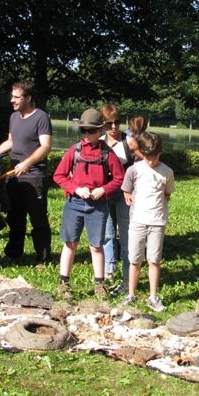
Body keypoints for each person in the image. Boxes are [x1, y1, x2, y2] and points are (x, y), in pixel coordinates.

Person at [52, 108, 125, 302]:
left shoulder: (108, 154)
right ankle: (63, 282)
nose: (86, 135)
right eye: (83, 130)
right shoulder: (74, 151)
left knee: (96, 245)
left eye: (91, 131)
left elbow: (119, 178)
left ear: (100, 130)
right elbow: (58, 176)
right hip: (74, 203)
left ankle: (99, 284)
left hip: (98, 205)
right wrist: (75, 188)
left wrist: (104, 189)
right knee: (70, 243)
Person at [0, 81, 52, 266]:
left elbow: (46, 146)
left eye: (16, 97)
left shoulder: (41, 117)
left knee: (38, 218)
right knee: (15, 216)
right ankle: (14, 253)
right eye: (12, 96)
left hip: (34, 176)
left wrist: (27, 163)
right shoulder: (14, 117)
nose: (12, 100)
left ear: (28, 98)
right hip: (14, 175)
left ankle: (42, 257)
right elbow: (10, 141)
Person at [120, 132, 175, 312]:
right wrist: (128, 196)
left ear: (160, 152)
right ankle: (131, 294)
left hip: (157, 222)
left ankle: (153, 296)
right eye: (148, 156)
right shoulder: (134, 170)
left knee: (154, 260)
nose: (151, 161)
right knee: (134, 259)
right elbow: (126, 189)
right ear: (141, 152)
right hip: (137, 221)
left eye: (155, 156)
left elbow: (168, 193)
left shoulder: (167, 172)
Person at [99, 104, 133, 292]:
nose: (113, 127)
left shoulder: (129, 142)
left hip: (124, 193)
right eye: (109, 123)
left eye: (117, 122)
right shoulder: (100, 141)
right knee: (108, 233)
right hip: (105, 192)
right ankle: (109, 269)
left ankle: (128, 273)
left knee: (126, 234)